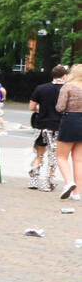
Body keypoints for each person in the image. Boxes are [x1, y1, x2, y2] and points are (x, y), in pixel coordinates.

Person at [28, 65, 66, 191]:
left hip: (42, 126)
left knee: (39, 153)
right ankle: (47, 182)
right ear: (64, 76)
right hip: (59, 126)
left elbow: (32, 107)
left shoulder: (41, 88)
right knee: (53, 156)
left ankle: (33, 180)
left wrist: (42, 108)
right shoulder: (66, 90)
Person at [55, 64, 82, 201]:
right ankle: (77, 193)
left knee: (61, 156)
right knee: (78, 160)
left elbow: (60, 107)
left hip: (70, 120)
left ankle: (69, 182)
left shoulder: (68, 87)